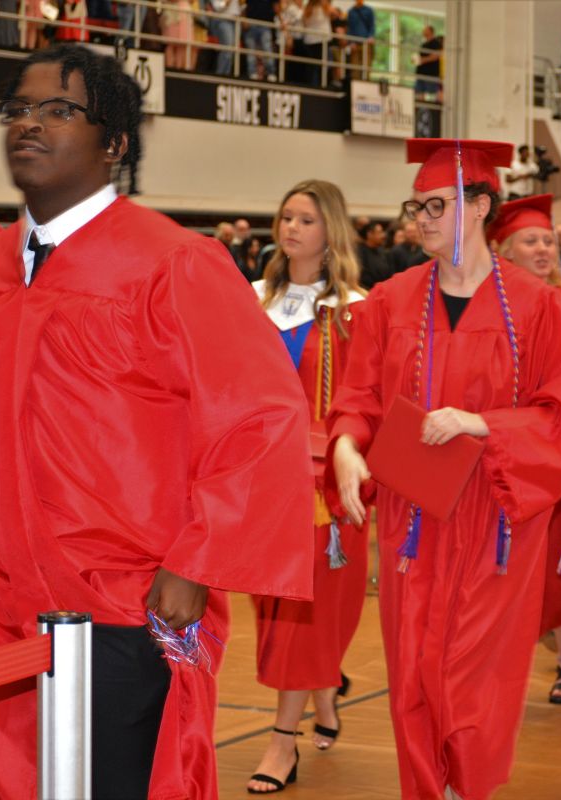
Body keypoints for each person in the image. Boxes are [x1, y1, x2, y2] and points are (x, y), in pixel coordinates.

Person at [0, 44, 315, 800]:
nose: (30, 123)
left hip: (122, 594)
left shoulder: (175, 262)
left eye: (60, 110)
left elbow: (261, 417)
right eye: (20, 109)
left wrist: (196, 564)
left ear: (114, 142)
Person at [329, 139, 561, 799]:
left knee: (475, 677)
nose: (421, 219)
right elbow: (359, 399)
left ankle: (468, 789)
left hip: (496, 517)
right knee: (414, 668)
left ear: (479, 207)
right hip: (413, 516)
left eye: (436, 205)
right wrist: (345, 446)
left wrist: (484, 424)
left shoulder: (537, 306)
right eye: (416, 206)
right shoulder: (390, 300)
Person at [247, 179, 368, 794]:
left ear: (331, 232)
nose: (291, 228)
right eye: (286, 217)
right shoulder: (251, 300)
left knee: (306, 614)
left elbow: (365, 400)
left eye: (306, 220)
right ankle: (324, 694)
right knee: (272, 611)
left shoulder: (355, 310)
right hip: (261, 484)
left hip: (325, 490)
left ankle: (281, 742)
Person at [488, 194, 561, 706]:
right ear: (504, 250)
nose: (544, 248)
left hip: (557, 452)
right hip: (499, 451)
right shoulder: (487, 308)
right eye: (531, 240)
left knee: (557, 565)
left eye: (549, 240)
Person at [242, 0, 279, 80]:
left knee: (267, 49)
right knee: (251, 51)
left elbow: (276, 7)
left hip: (266, 24)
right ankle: (252, 73)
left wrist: (280, 21)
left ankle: (271, 73)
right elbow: (243, 5)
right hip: (250, 23)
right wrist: (244, 19)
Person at [356, 219, 393, 288]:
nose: (383, 235)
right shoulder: (359, 253)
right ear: (369, 234)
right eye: (379, 232)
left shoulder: (382, 251)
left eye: (383, 232)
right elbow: (363, 277)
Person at [415, 24, 442, 100]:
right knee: (419, 94)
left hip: (430, 75)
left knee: (431, 96)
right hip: (421, 74)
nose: (423, 31)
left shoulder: (436, 43)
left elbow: (436, 56)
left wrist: (423, 60)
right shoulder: (424, 44)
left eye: (425, 30)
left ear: (430, 31)